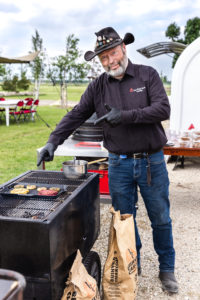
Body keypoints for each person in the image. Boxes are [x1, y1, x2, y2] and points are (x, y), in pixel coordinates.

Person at [37, 27, 178, 294]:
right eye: (103, 57)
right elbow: (76, 114)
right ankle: (131, 265)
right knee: (125, 220)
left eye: (113, 53)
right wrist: (52, 142)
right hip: (119, 164)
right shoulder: (98, 86)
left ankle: (167, 268)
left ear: (124, 49)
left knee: (160, 218)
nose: (110, 61)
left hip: (151, 162)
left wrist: (125, 115)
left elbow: (162, 108)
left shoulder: (148, 75)